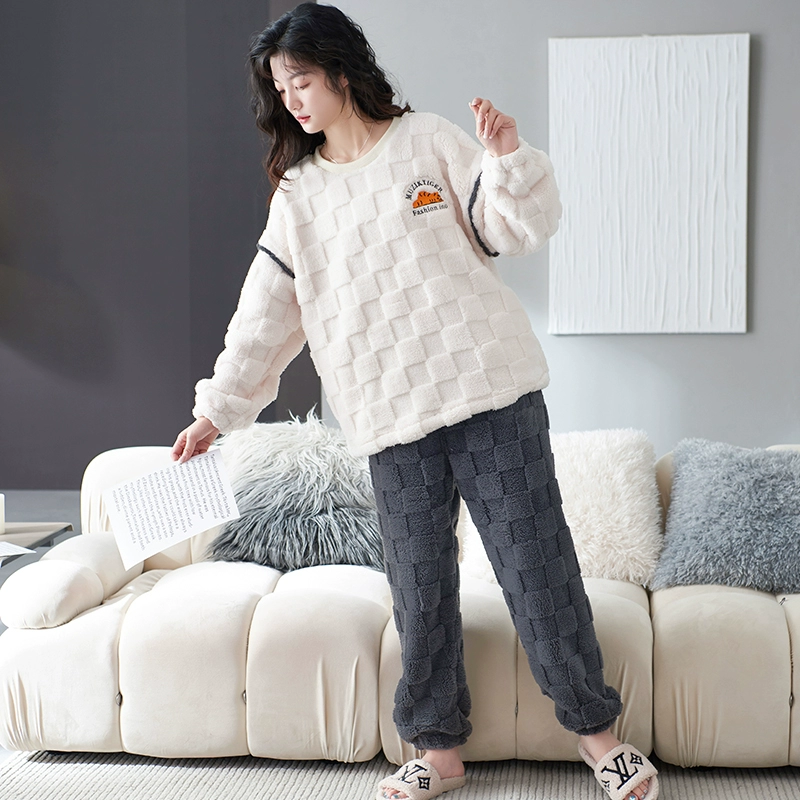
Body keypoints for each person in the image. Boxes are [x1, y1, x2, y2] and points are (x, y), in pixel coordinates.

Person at [171, 5, 660, 800]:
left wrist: (507, 157)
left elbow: (512, 229)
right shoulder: (299, 195)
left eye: (302, 80)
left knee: (538, 570)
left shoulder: (428, 140)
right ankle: (437, 750)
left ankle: (599, 737)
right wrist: (215, 411)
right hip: (389, 419)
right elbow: (264, 316)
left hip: (491, 396)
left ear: (340, 70)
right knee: (419, 589)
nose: (292, 99)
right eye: (281, 89)